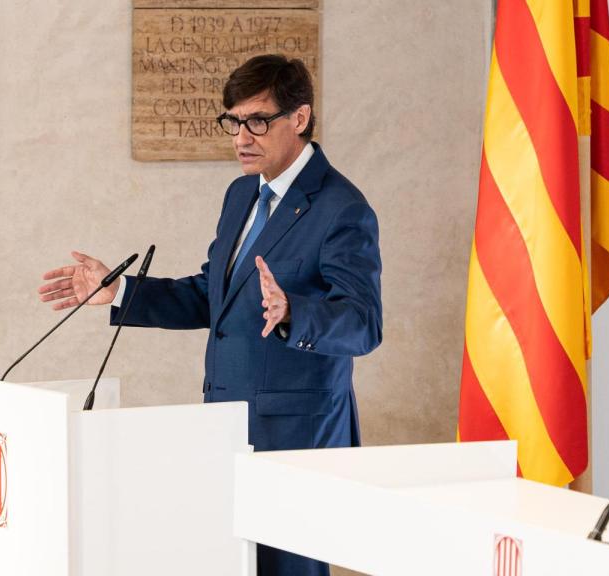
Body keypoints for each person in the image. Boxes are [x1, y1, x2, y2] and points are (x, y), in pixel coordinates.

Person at [38, 54, 382, 576]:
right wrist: (118, 291)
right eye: (233, 121)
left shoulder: (341, 207)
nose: (242, 137)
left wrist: (293, 313)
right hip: (224, 427)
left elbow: (363, 324)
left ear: (300, 118)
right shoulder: (242, 193)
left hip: (297, 437)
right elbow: (211, 296)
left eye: (258, 121)